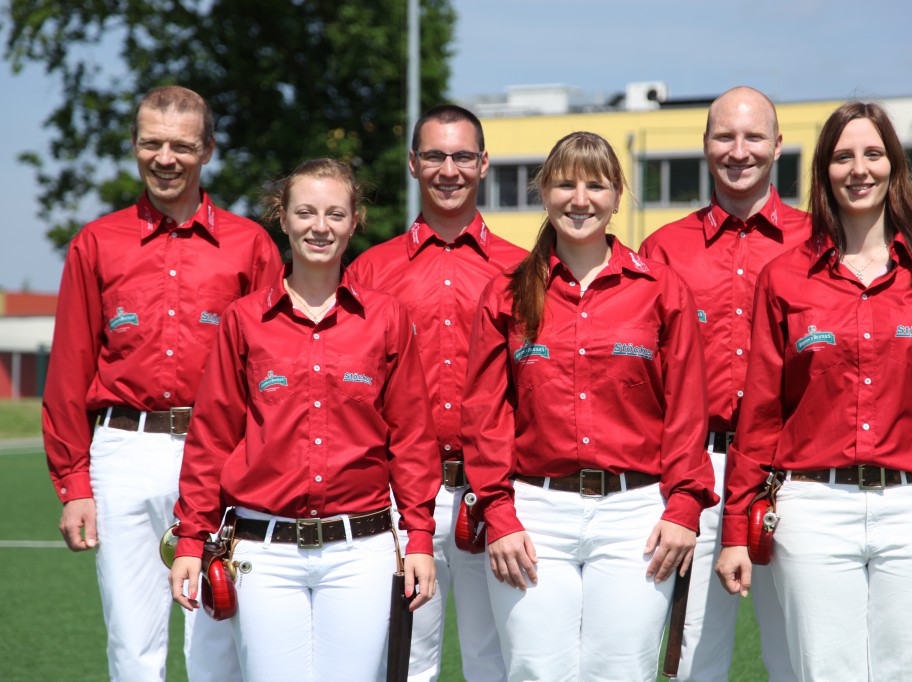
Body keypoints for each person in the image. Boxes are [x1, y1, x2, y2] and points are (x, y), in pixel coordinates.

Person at [716, 101, 912, 681]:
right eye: (843, 157)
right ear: (823, 172)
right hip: (814, 511)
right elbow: (762, 413)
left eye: (873, 154)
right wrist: (736, 531)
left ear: (894, 166)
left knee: (908, 673)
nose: (859, 169)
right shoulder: (786, 278)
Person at [42, 85, 282, 682]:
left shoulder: (250, 244)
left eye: (181, 145)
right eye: (151, 143)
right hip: (122, 451)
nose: (165, 158)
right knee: (132, 641)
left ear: (207, 150)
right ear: (134, 146)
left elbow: (274, 368)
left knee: (215, 637)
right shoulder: (96, 242)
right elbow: (69, 369)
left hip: (220, 455)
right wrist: (73, 481)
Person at [169, 158, 440, 682]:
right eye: (306, 212)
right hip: (264, 554)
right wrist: (190, 540)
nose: (321, 226)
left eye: (336, 213)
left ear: (355, 220)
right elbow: (211, 438)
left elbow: (411, 438)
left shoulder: (387, 318)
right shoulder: (243, 321)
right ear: (283, 217)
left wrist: (421, 539)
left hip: (359, 551)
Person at [461, 131, 717, 682]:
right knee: (534, 671)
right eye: (565, 184)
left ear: (617, 195)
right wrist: (499, 515)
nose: (581, 199)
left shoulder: (661, 290)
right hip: (533, 515)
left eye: (596, 185)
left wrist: (685, 509)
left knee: (621, 671)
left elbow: (687, 413)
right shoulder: (506, 294)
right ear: (544, 193)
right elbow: (485, 417)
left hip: (636, 516)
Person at [348, 104, 525, 682]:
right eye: (434, 156)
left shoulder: (525, 271)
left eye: (462, 156)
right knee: (404, 664)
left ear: (483, 163)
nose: (448, 169)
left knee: (494, 661)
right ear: (412, 163)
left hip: (496, 493)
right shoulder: (369, 271)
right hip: (401, 499)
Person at [638, 86, 807, 682]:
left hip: (796, 472)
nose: (739, 151)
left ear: (779, 146)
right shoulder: (661, 250)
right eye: (724, 137)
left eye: (754, 136)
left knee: (802, 657)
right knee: (689, 660)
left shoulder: (819, 244)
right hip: (696, 471)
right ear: (705, 145)